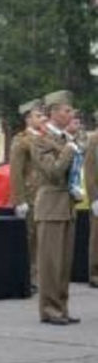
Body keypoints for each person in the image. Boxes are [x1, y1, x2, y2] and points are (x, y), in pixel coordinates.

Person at [31, 90, 81, 326]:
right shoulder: (40, 140)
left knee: (63, 263)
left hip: (66, 205)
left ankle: (61, 307)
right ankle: (49, 309)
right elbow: (52, 172)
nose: (70, 114)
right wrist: (69, 153)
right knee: (50, 263)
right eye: (66, 110)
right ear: (53, 113)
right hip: (50, 206)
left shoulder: (64, 139)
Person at [10, 99, 44, 291]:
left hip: (43, 195)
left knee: (40, 238)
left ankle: (37, 276)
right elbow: (16, 172)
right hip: (29, 195)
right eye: (38, 116)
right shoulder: (21, 140)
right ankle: (28, 277)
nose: (42, 119)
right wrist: (19, 200)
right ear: (28, 119)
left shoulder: (43, 138)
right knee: (29, 238)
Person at [84, 110, 98, 289]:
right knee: (97, 236)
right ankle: (95, 273)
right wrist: (94, 197)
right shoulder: (93, 140)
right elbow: (89, 171)